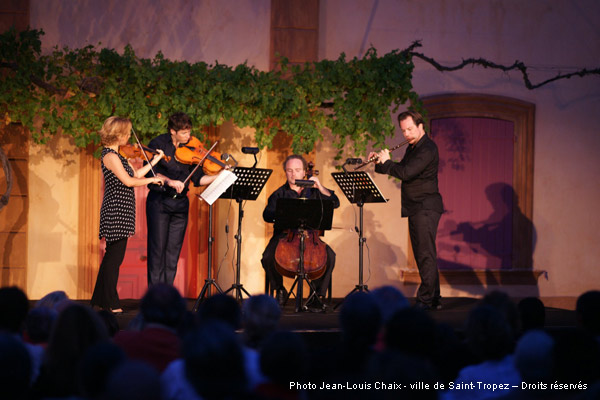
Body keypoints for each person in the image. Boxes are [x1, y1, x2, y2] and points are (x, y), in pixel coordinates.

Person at [368, 110, 444, 310]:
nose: (407, 134)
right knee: (424, 253)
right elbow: (400, 168)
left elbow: (406, 173)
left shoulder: (427, 148)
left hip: (426, 206)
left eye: (410, 129)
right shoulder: (414, 147)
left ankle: (426, 300)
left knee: (424, 253)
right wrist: (379, 163)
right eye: (404, 131)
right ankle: (434, 297)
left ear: (421, 126)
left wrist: (387, 163)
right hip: (416, 207)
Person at [90, 116, 165, 314]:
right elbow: (129, 182)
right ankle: (111, 302)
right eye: (127, 132)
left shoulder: (119, 156)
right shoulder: (110, 156)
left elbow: (136, 176)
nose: (130, 135)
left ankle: (99, 299)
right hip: (115, 210)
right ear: (119, 134)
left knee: (112, 257)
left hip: (122, 210)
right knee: (114, 257)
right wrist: (154, 180)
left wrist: (155, 161)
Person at [145, 112, 220, 286]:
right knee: (157, 250)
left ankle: (167, 295)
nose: (189, 136)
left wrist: (219, 175)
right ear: (173, 131)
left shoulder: (192, 147)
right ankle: (155, 297)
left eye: (189, 132)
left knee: (173, 252)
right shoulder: (158, 144)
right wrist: (170, 181)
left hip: (180, 204)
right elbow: (150, 172)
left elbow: (198, 179)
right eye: (184, 133)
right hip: (160, 201)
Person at [261, 154, 340, 309]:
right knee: (267, 257)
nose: (293, 174)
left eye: (297, 170)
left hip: (311, 237)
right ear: (285, 172)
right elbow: (267, 215)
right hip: (285, 237)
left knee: (330, 256)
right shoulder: (279, 194)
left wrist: (320, 186)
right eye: (289, 170)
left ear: (304, 171)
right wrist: (282, 214)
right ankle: (280, 290)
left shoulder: (316, 191)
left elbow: (335, 202)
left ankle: (316, 296)